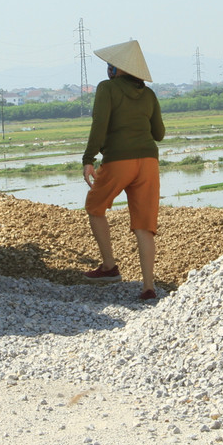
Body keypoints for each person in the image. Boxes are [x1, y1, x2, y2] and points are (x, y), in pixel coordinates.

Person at [80, 40, 166, 301]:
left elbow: (100, 124)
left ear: (117, 70)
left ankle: (109, 267)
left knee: (95, 207)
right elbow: (159, 134)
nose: (108, 70)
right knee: (144, 226)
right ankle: (148, 287)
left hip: (119, 160)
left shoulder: (107, 88)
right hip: (148, 163)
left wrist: (88, 158)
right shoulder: (149, 95)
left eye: (110, 66)